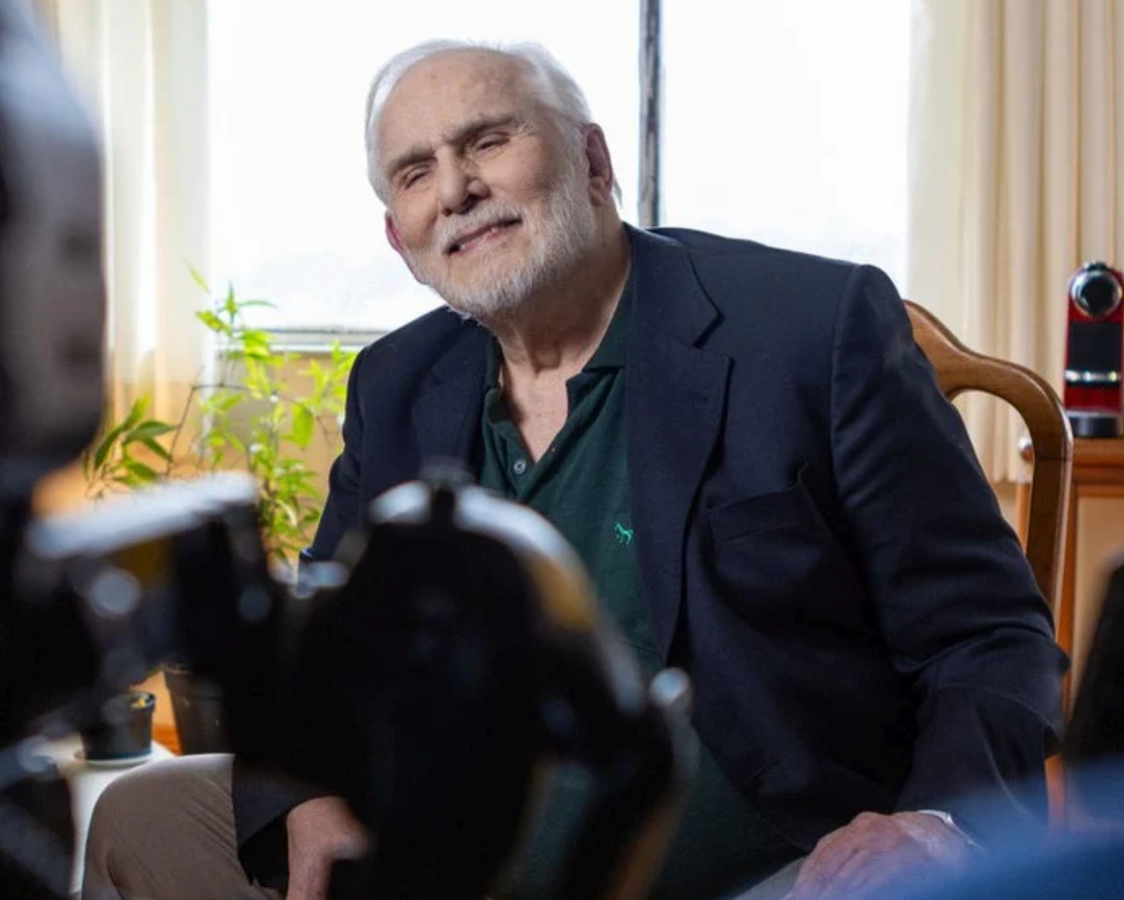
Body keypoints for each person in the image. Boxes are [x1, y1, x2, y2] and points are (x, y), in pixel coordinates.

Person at [82, 39, 1068, 900]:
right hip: (455, 857)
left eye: (486, 141)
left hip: (773, 870)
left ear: (593, 162)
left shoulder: (811, 331)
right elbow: (319, 654)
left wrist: (935, 824)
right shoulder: (398, 383)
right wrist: (309, 795)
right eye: (415, 173)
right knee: (141, 816)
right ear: (399, 238)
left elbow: (987, 634)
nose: (455, 190)